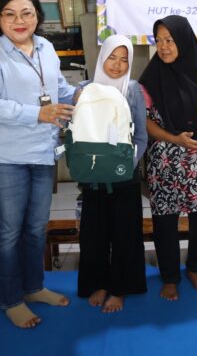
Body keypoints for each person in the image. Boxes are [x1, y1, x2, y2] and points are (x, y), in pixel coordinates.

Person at [0, 0, 76, 328]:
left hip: (41, 153)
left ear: (37, 17)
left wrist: (100, 89)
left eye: (26, 13)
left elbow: (60, 90)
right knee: (8, 232)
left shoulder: (45, 47)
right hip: (1, 157)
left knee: (36, 228)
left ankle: (34, 287)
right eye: (10, 14)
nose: (19, 20)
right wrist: (37, 114)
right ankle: (11, 300)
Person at [139, 15, 197, 301]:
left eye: (170, 40)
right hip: (166, 158)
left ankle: (195, 268)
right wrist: (174, 139)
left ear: (184, 40)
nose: (164, 47)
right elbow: (144, 121)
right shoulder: (150, 78)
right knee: (164, 220)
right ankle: (169, 276)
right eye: (159, 41)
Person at [77, 35, 148, 313]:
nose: (117, 65)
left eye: (124, 60)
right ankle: (98, 284)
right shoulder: (84, 89)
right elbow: (75, 130)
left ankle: (119, 289)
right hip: (93, 176)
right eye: (112, 58)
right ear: (101, 58)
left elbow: (141, 136)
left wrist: (127, 164)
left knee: (125, 234)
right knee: (93, 235)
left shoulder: (133, 90)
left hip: (124, 176)